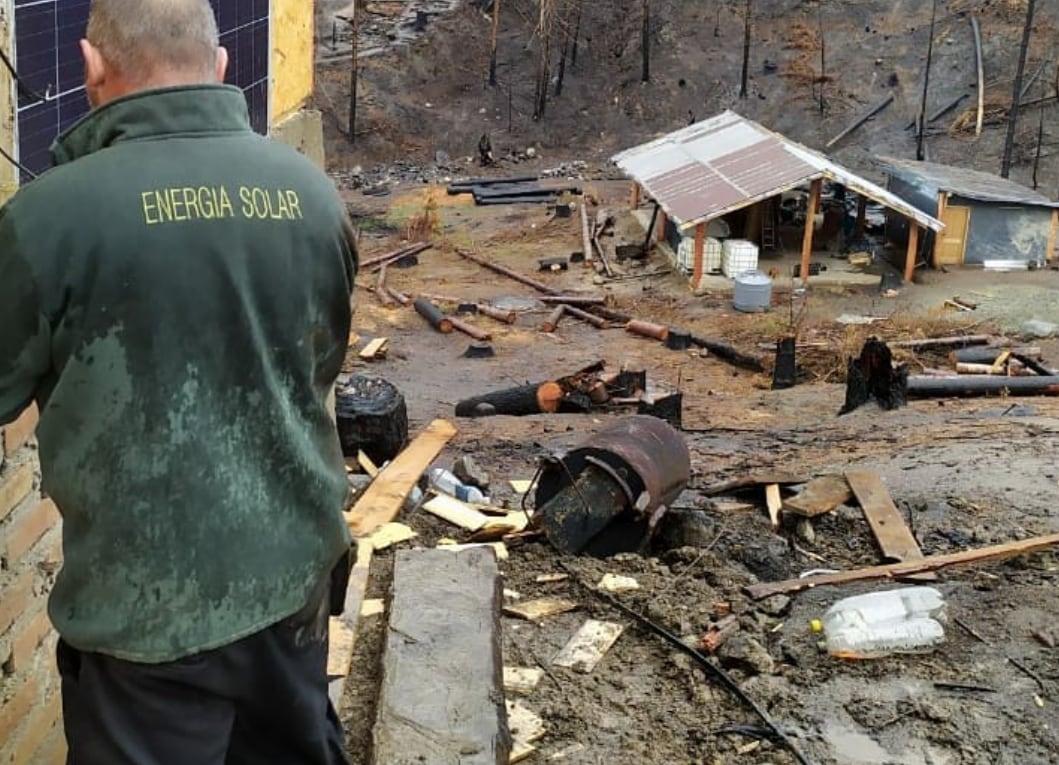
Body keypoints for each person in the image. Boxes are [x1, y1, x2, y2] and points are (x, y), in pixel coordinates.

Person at [0, 1, 357, 763]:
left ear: (92, 66)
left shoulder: (46, 218)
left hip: (146, 624)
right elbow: (318, 367)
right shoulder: (312, 194)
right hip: (296, 585)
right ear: (222, 66)